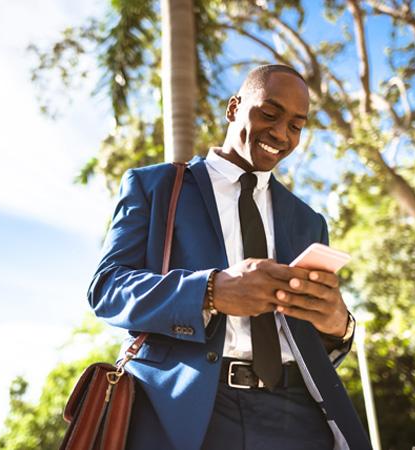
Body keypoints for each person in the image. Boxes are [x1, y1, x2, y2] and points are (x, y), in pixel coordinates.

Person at [88, 64, 371, 450]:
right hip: (188, 411)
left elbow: (310, 339)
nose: (281, 133)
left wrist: (338, 325)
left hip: (296, 413)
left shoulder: (308, 221)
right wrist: (210, 290)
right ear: (234, 107)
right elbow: (107, 290)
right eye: (269, 114)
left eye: (296, 125)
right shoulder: (154, 187)